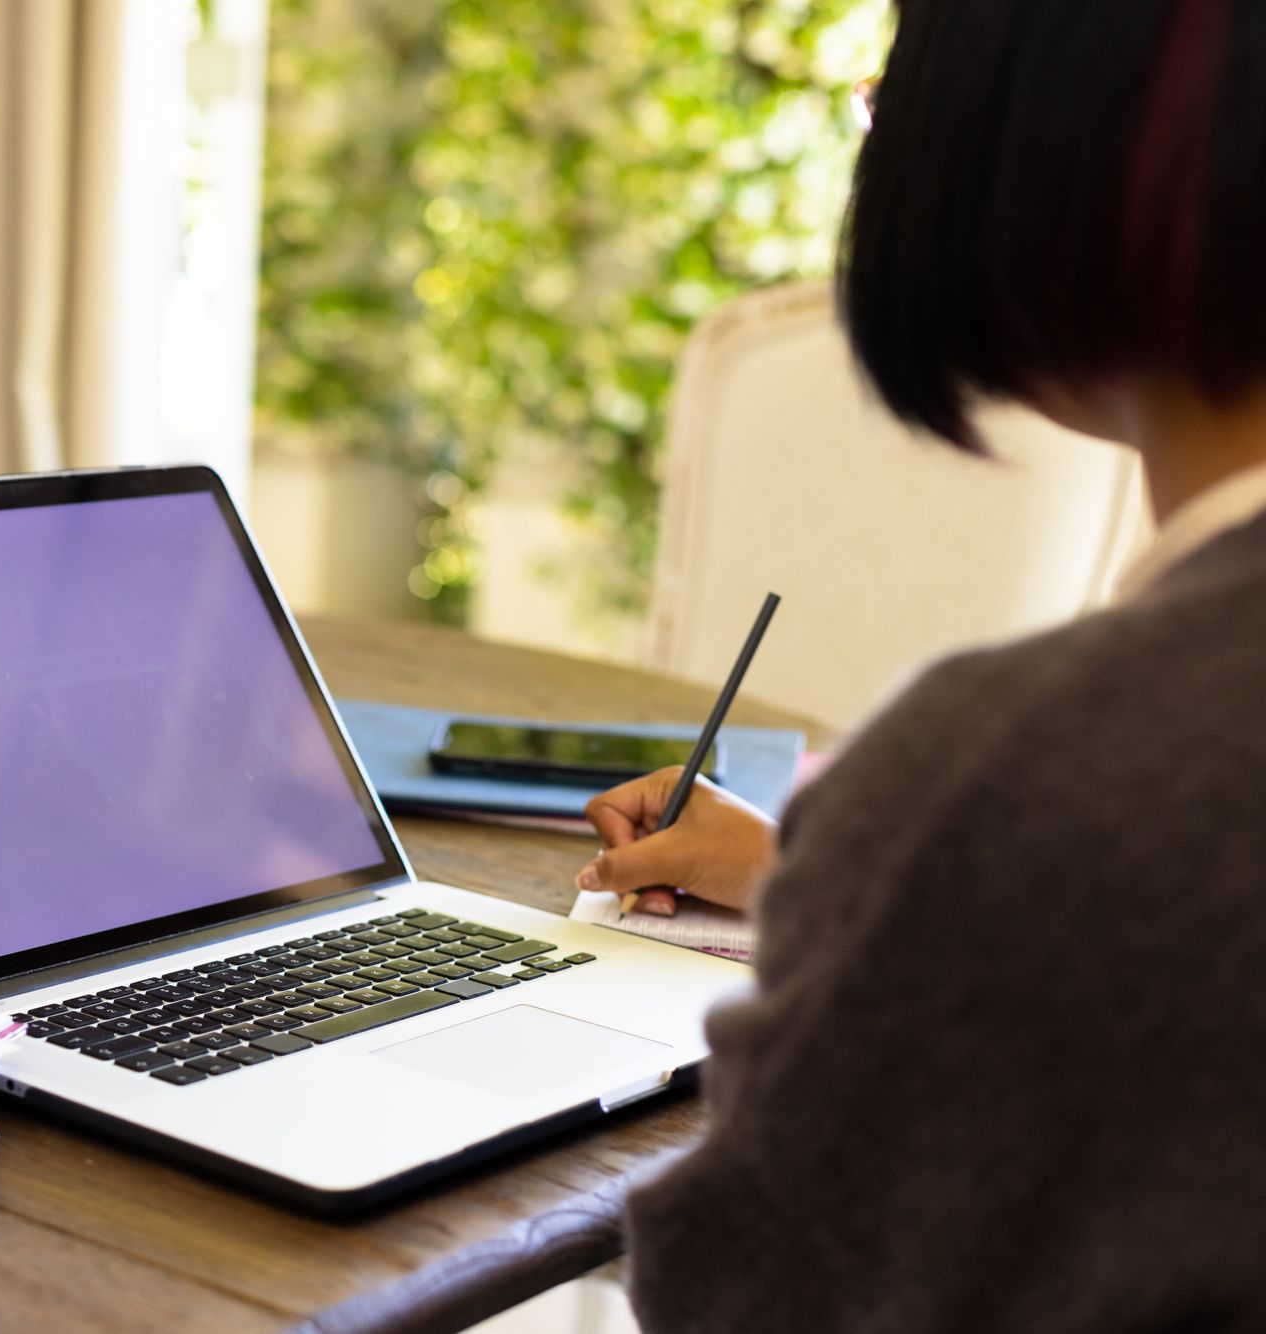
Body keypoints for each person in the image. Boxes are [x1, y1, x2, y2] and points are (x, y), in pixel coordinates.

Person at [575, 1, 1266, 1329]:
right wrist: (839, 879)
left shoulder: (1019, 779)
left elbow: (742, 1290)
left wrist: (917, 852)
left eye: (901, 82)